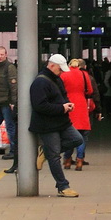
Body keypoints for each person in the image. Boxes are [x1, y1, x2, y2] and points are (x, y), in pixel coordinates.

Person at [26, 53, 82, 197]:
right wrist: (62, 108)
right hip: (47, 124)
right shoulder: (40, 82)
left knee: (77, 139)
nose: (61, 71)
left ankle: (45, 151)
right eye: (60, 69)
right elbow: (40, 106)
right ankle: (63, 186)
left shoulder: (57, 79)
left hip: (61, 121)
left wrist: (67, 104)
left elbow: (63, 96)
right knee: (55, 156)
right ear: (51, 66)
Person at [60, 58, 96, 171]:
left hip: (69, 106)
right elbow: (90, 91)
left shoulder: (64, 75)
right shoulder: (84, 75)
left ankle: (67, 160)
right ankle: (79, 160)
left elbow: (59, 90)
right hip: (81, 106)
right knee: (82, 136)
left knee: (69, 135)